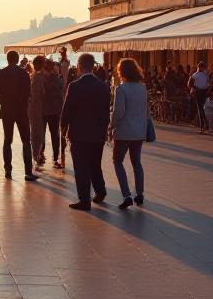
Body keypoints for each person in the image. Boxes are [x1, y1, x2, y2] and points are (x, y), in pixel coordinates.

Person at [60, 53, 110, 211]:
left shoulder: (74, 86)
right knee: (95, 163)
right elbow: (105, 112)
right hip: (97, 132)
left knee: (81, 166)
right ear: (94, 66)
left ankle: (84, 199)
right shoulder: (104, 86)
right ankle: (100, 191)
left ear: (80, 67)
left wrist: (63, 126)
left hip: (79, 132)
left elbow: (67, 109)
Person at [110, 58, 148, 210]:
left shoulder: (122, 89)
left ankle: (126, 194)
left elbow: (119, 111)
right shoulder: (142, 88)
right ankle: (139, 193)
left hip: (124, 131)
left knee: (117, 161)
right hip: (139, 131)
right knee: (136, 162)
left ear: (122, 71)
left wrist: (111, 125)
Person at [0, 50, 36, 181]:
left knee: (7, 140)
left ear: (7, 59)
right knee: (26, 141)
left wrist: (4, 103)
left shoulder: (1, 73)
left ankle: (8, 170)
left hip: (7, 110)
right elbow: (29, 92)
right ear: (17, 60)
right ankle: (28, 172)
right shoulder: (24, 73)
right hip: (21, 110)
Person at [42, 59, 65, 168]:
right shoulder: (58, 79)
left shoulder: (41, 78)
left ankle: (40, 155)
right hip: (55, 111)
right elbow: (61, 94)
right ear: (53, 68)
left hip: (43, 110)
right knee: (55, 135)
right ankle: (55, 158)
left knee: (41, 134)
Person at [28, 56, 48, 170]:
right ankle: (36, 156)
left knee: (36, 132)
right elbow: (39, 93)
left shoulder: (34, 75)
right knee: (37, 133)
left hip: (34, 107)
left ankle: (37, 155)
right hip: (37, 108)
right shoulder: (39, 76)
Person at [188, 61, 210, 134]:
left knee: (200, 109)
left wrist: (194, 88)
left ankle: (203, 126)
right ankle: (205, 125)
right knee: (201, 108)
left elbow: (189, 84)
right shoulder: (206, 75)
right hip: (204, 92)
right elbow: (208, 85)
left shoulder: (195, 75)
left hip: (198, 93)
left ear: (198, 67)